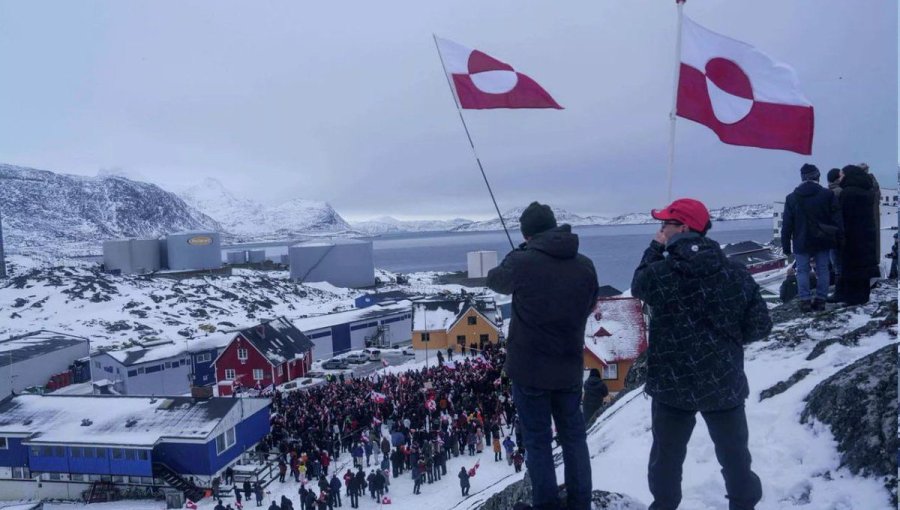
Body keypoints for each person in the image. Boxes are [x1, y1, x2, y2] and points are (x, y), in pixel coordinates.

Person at [631, 198, 773, 510]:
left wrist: (654, 248)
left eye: (665, 224)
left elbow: (638, 285)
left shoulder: (661, 273)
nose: (661, 228)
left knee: (667, 458)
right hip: (723, 380)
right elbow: (761, 325)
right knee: (734, 455)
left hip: (672, 382)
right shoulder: (735, 273)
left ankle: (664, 506)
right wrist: (726, 345)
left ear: (683, 228)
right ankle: (743, 504)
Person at [486, 201, 599, 510]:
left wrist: (519, 252)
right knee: (574, 437)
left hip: (530, 371)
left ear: (528, 235)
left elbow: (495, 280)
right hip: (569, 367)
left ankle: (546, 504)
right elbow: (591, 303)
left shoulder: (522, 262)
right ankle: (580, 502)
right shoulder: (585, 264)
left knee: (538, 442)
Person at [781, 164, 842, 312]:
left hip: (801, 241)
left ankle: (805, 301)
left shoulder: (791, 198)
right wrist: (839, 239)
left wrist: (786, 247)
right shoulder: (828, 195)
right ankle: (821, 300)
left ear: (802, 177)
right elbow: (837, 220)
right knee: (823, 270)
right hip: (823, 239)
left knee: (802, 271)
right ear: (817, 176)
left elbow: (787, 225)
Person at [836, 164, 880, 304]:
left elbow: (842, 216)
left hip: (851, 235)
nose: (839, 178)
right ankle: (862, 296)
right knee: (863, 267)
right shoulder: (867, 191)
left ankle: (850, 297)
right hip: (866, 234)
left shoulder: (848, 193)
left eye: (841, 175)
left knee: (851, 266)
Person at [826, 167, 844, 284]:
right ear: (837, 179)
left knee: (834, 263)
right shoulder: (841, 192)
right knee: (839, 263)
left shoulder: (826, 193)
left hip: (829, 232)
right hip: (839, 231)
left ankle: (838, 286)